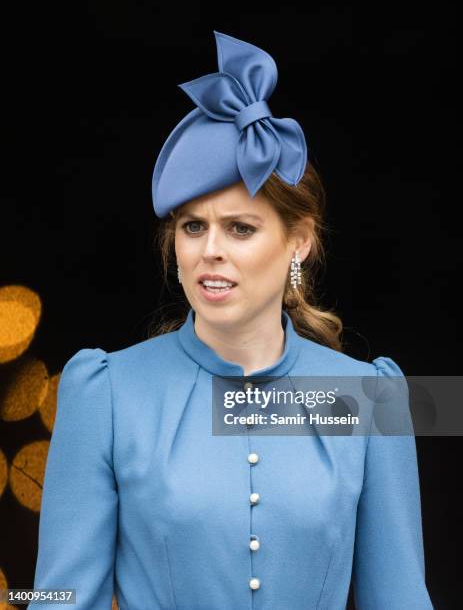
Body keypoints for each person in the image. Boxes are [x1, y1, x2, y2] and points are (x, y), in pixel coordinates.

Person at [30, 31, 434, 609]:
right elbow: (58, 599)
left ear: (300, 241)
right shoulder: (106, 392)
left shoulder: (369, 397)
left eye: (240, 228)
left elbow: (399, 598)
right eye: (193, 226)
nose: (209, 249)